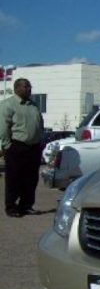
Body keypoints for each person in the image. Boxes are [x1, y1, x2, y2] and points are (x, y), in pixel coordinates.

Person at [0, 78, 44, 217]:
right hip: (16, 147)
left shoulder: (34, 106)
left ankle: (26, 206)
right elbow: (3, 127)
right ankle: (11, 207)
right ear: (17, 88)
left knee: (31, 179)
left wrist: (39, 141)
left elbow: (40, 124)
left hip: (34, 148)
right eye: (26, 87)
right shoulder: (8, 105)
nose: (29, 89)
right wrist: (7, 145)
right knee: (14, 179)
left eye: (30, 86)